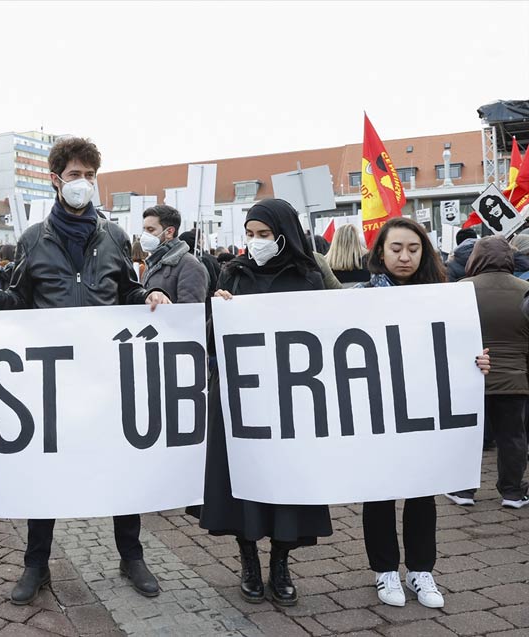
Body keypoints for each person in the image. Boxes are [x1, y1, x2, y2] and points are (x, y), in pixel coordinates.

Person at [0, 136, 170, 605]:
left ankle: (131, 555)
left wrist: (150, 298)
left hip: (105, 374)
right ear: (56, 180)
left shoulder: (115, 237)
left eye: (90, 176)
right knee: (47, 473)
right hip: (52, 379)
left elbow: (128, 292)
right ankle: (35, 565)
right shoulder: (34, 239)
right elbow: (19, 293)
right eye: (75, 175)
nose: (84, 183)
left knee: (121, 466)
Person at [196, 199, 333, 607]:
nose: (255, 243)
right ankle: (249, 560)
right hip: (241, 397)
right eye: (250, 235)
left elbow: (332, 330)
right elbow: (209, 340)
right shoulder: (232, 274)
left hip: (289, 398)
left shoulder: (309, 277)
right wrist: (217, 311)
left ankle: (280, 562)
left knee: (284, 483)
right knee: (242, 482)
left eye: (264, 235)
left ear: (283, 235)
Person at [359, 217, 490, 609]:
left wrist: (478, 360)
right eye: (396, 248)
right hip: (378, 410)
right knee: (379, 491)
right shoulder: (361, 297)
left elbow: (460, 348)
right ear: (380, 252)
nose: (404, 256)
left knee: (421, 490)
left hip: (424, 410)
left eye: (413, 249)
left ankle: (420, 570)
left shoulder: (444, 297)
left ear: (425, 252)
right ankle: (384, 570)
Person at [445, 236, 529, 509]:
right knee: (513, 437)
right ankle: (512, 493)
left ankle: (463, 491)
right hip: (515, 378)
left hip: (470, 377)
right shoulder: (525, 289)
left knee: (468, 435)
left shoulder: (460, 290)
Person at [141, 205, 208, 303]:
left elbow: (190, 310)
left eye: (150, 230)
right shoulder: (153, 262)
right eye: (144, 229)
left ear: (169, 232)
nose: (144, 235)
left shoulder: (190, 265)